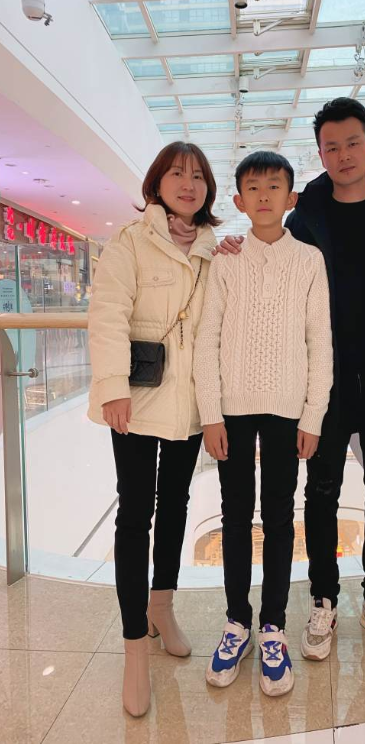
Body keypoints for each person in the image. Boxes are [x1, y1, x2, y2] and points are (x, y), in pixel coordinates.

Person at [216, 98, 365, 665]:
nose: (343, 155)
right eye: (331, 147)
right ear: (320, 154)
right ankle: (323, 597)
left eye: (352, 143)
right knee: (320, 491)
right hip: (324, 379)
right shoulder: (306, 213)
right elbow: (272, 258)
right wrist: (230, 244)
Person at [193, 151, 333, 696]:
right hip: (232, 409)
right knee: (234, 517)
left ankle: (273, 625)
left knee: (278, 516)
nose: (264, 195)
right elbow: (207, 338)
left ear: (291, 197)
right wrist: (210, 414)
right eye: (253, 187)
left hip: (286, 409)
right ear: (238, 200)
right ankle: (237, 623)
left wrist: (313, 415)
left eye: (275, 186)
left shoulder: (310, 260)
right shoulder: (225, 260)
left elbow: (320, 342)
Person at [88, 141, 220, 717]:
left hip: (188, 403)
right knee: (135, 512)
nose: (188, 184)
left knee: (177, 506)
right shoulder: (130, 241)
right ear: (157, 184)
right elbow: (108, 314)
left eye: (198, 176)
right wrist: (112, 384)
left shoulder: (215, 250)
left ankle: (161, 606)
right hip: (137, 402)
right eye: (177, 174)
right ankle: (134, 647)